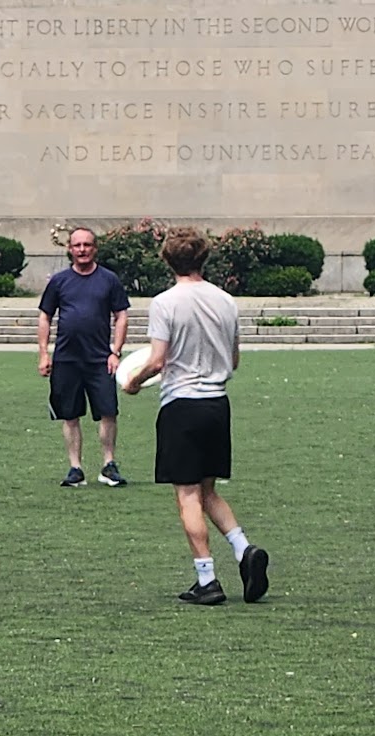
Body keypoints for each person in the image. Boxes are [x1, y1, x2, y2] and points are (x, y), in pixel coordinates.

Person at [122, 227, 270, 605]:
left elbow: (157, 360)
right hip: (217, 404)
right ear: (204, 258)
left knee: (187, 494)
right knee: (208, 490)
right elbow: (234, 358)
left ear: (168, 260)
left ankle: (207, 578)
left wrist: (133, 382)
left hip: (182, 405)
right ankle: (243, 549)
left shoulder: (165, 302)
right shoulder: (226, 301)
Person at [36, 228, 131, 488]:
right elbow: (45, 316)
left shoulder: (109, 280)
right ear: (70, 249)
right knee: (70, 415)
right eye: (77, 245)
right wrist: (44, 353)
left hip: (100, 359)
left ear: (95, 248)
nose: (82, 250)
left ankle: (108, 465)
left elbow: (121, 315)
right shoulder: (59, 281)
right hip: (67, 359)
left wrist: (116, 351)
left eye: (87, 245)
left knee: (108, 412)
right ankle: (75, 468)